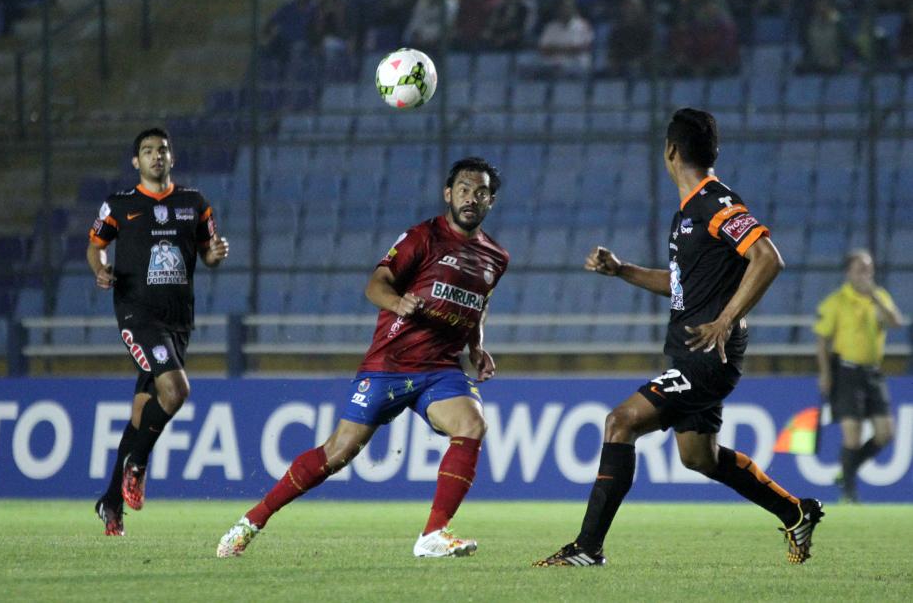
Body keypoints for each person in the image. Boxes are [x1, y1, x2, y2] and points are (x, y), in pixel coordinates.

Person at [535, 108, 824, 567]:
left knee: (620, 422)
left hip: (707, 356)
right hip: (694, 353)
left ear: (670, 151)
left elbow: (767, 257)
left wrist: (726, 318)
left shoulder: (716, 204)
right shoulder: (689, 213)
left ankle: (587, 548)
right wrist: (623, 270)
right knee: (698, 458)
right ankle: (797, 512)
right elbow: (680, 285)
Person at [217, 157, 509, 559]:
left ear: (491, 200)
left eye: (481, 192)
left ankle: (433, 533)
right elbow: (376, 284)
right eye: (463, 189)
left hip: (441, 368)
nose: (470, 198)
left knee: (473, 425)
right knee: (338, 453)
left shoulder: (497, 257)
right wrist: (397, 303)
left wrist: (476, 346)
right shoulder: (421, 238)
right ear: (448, 194)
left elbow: (479, 305)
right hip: (390, 364)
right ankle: (252, 520)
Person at [87, 128, 230, 535]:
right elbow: (95, 244)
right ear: (136, 162)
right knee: (176, 390)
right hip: (137, 314)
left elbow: (208, 251)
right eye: (147, 151)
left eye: (162, 150)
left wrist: (215, 255)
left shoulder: (194, 203)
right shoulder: (120, 204)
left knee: (140, 414)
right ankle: (140, 463)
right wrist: (100, 269)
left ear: (172, 158)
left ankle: (110, 502)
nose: (156, 156)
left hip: (178, 320)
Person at [815, 249, 902, 503]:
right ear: (849, 272)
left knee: (886, 433)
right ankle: (849, 493)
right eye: (860, 268)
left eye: (869, 268)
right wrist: (825, 374)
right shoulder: (837, 301)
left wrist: (875, 297)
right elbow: (822, 341)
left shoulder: (879, 297)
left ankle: (846, 471)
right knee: (852, 434)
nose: (866, 273)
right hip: (846, 371)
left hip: (873, 372)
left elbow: (896, 322)